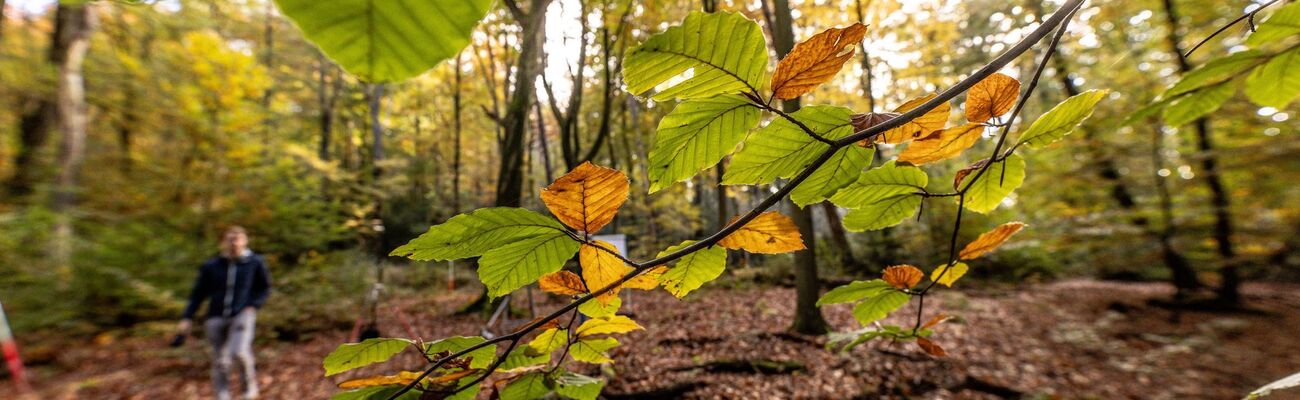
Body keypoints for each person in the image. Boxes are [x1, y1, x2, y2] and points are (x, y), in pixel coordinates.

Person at [177, 226, 272, 400]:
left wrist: (253, 305)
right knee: (220, 360)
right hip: (215, 316)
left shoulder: (255, 262)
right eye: (230, 239)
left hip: (242, 314)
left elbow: (264, 288)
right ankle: (222, 395)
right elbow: (197, 294)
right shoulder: (211, 266)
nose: (234, 243)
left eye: (238, 239)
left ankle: (248, 392)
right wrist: (187, 317)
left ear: (245, 241)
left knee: (239, 352)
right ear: (223, 242)